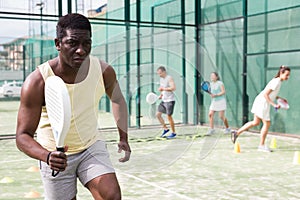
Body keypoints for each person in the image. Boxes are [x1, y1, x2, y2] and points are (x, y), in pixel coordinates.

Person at [15, 13, 131, 200]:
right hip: (55, 156)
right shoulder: (37, 81)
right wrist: (47, 156)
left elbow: (118, 100)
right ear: (58, 43)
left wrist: (123, 137)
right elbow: (22, 136)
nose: (81, 50)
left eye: (86, 43)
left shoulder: (103, 71)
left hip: (91, 146)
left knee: (111, 195)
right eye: (73, 43)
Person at [231, 65, 291, 152]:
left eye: (289, 75)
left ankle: (236, 133)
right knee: (267, 124)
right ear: (281, 73)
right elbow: (266, 94)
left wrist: (279, 98)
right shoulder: (276, 82)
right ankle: (261, 145)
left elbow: (270, 93)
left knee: (255, 122)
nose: (288, 77)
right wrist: (274, 105)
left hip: (260, 101)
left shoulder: (277, 81)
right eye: (287, 75)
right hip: (263, 103)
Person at [156, 66, 177, 139]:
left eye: (160, 73)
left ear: (164, 72)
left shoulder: (169, 78)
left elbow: (173, 88)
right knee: (158, 114)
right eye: (158, 73)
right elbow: (163, 90)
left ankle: (173, 133)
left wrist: (163, 89)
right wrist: (161, 95)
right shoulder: (161, 79)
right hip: (164, 100)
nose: (159, 75)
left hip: (170, 100)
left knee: (169, 116)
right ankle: (165, 129)